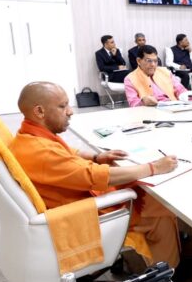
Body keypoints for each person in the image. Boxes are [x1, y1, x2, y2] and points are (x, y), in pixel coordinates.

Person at [10, 81, 181, 268]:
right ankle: (167, 273)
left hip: (74, 201)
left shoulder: (28, 137)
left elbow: (69, 153)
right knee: (161, 210)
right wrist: (153, 168)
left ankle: (168, 245)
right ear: (39, 112)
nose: (70, 111)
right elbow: (94, 177)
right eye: (62, 106)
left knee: (148, 197)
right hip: (83, 215)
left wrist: (97, 156)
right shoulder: (41, 151)